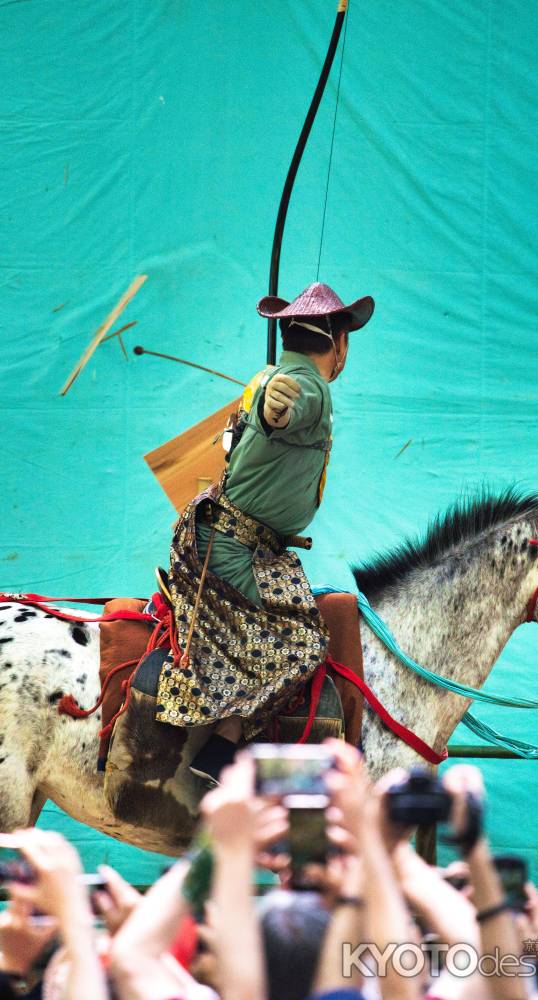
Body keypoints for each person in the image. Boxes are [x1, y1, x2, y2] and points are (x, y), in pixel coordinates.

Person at [153, 282, 375, 784]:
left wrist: (268, 404)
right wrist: (275, 409)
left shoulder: (269, 377)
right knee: (301, 646)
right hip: (231, 549)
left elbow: (269, 410)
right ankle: (221, 751)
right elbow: (284, 410)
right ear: (338, 342)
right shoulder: (309, 388)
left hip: (240, 543)